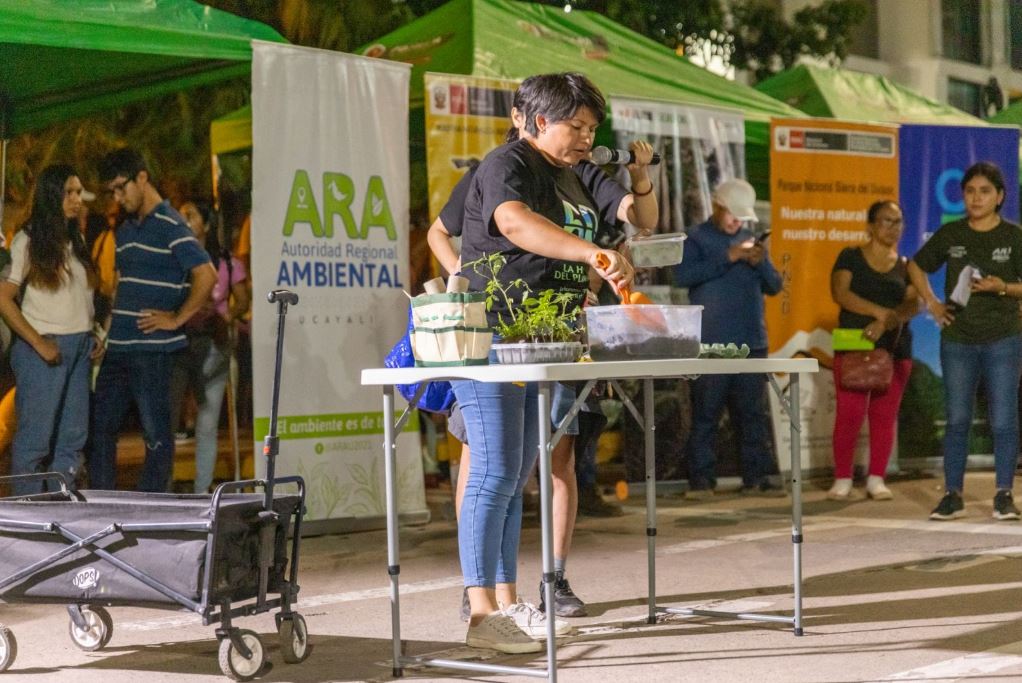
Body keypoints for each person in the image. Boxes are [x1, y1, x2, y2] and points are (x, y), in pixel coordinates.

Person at [428, 85, 656, 623]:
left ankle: (506, 603)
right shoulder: (507, 162)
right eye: (573, 126)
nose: (585, 138)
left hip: (545, 339)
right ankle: (483, 611)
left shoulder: (576, 175)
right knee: (493, 472)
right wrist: (593, 251)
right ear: (527, 119)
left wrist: (596, 261)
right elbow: (512, 223)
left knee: (511, 476)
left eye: (591, 129)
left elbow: (636, 220)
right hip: (497, 333)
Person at [88, 149, 216, 492]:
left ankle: (150, 510)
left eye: (120, 188)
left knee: (157, 435)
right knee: (100, 429)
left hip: (154, 351)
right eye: (111, 191)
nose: (117, 197)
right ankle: (102, 506)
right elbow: (122, 287)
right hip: (119, 348)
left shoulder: (170, 223)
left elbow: (206, 274)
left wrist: (176, 318)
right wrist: (106, 331)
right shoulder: (126, 228)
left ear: (141, 177)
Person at [907, 161, 1022, 521]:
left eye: (984, 191)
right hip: (957, 339)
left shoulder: (1014, 236)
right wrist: (933, 304)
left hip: (1003, 338)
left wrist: (1000, 287)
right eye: (970, 191)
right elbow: (915, 265)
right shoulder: (952, 234)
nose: (976, 198)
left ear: (1000, 197)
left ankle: (1004, 494)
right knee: (957, 419)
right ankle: (952, 495)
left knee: (1003, 420)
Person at [673, 178, 784, 498]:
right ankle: (702, 482)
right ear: (717, 206)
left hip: (752, 342)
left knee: (752, 414)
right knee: (707, 413)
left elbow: (775, 287)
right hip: (711, 343)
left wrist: (760, 261)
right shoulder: (696, 238)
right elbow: (682, 277)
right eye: (732, 214)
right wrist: (730, 256)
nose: (737, 221)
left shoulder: (751, 240)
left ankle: (755, 478)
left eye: (741, 217)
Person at [0, 165, 103, 495]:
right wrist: (37, 343)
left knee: (72, 439)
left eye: (78, 193)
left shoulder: (77, 240)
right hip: (43, 347)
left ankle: (61, 510)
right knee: (35, 441)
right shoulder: (27, 241)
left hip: (79, 346)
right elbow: (4, 299)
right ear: (52, 195)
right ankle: (28, 518)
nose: (76, 200)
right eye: (69, 193)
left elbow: (82, 297)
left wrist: (95, 332)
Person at [828, 201, 919, 501]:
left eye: (898, 221)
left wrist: (887, 323)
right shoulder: (850, 256)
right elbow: (841, 294)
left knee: (884, 415)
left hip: (894, 349)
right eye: (886, 221)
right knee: (850, 413)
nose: (894, 227)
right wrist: (881, 314)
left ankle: (876, 478)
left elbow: (912, 304)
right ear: (870, 226)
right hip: (855, 345)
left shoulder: (907, 266)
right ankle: (842, 478)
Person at [170, 199, 249, 493]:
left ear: (206, 223)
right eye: (181, 215)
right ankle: (162, 488)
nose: (184, 219)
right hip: (179, 343)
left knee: (207, 421)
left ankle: (202, 491)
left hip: (213, 345)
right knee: (169, 417)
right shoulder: (175, 259)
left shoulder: (228, 261)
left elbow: (242, 300)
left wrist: (227, 315)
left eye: (190, 214)